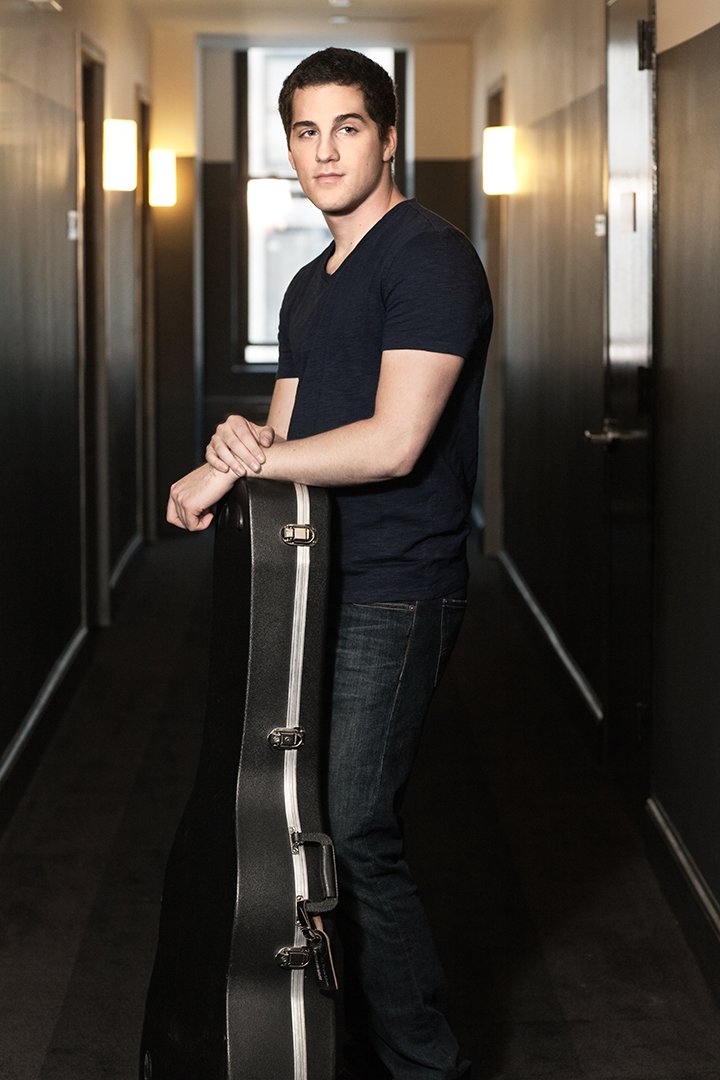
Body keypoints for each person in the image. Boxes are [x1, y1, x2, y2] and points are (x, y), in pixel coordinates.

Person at [167, 47, 492, 1080]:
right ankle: (326, 1044)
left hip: (396, 590)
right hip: (308, 580)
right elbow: (287, 434)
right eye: (305, 131)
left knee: (355, 830)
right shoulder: (310, 284)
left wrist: (236, 467)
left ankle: (425, 1063)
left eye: (348, 127)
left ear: (388, 137)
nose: (325, 150)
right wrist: (235, 448)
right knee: (298, 825)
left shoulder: (430, 259)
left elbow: (394, 442)